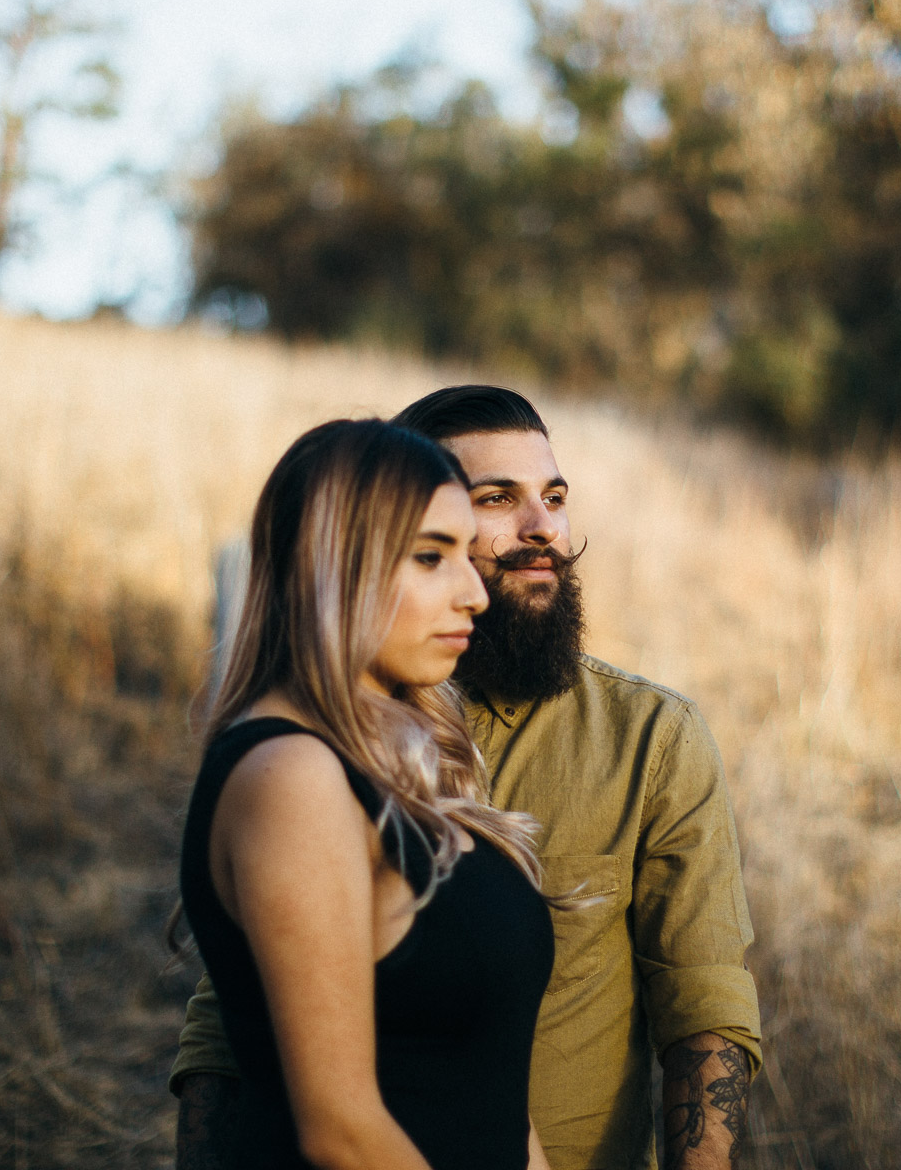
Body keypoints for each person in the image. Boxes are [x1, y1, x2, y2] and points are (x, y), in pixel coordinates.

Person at [176, 388, 761, 1170]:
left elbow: (697, 1001)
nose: (543, 528)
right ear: (346, 558)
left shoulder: (642, 737)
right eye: (492, 503)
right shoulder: (304, 769)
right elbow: (294, 1079)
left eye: (554, 497)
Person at [176, 418, 559, 1170]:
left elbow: (491, 1098)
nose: (476, 592)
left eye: (465, 555)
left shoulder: (396, 762)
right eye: (430, 557)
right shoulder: (290, 776)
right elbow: (341, 1131)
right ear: (331, 567)